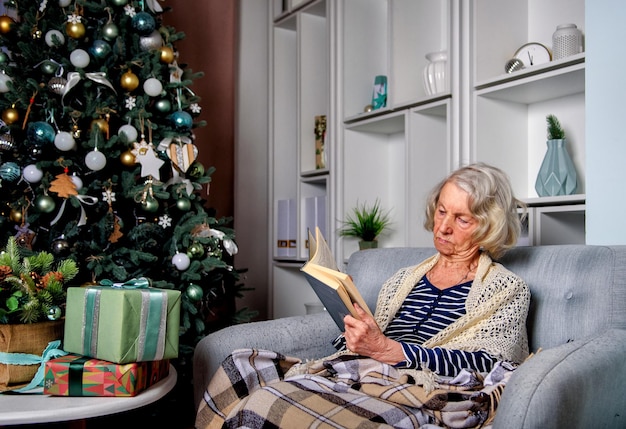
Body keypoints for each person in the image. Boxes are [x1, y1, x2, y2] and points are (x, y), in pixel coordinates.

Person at [196, 163, 531, 429]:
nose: (442, 227)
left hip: (417, 388)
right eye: (441, 211)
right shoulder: (403, 279)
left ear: (489, 226)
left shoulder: (506, 290)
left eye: (461, 219)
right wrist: (352, 320)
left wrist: (388, 350)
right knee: (241, 365)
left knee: (268, 401)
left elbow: (489, 365)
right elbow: (363, 346)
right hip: (363, 371)